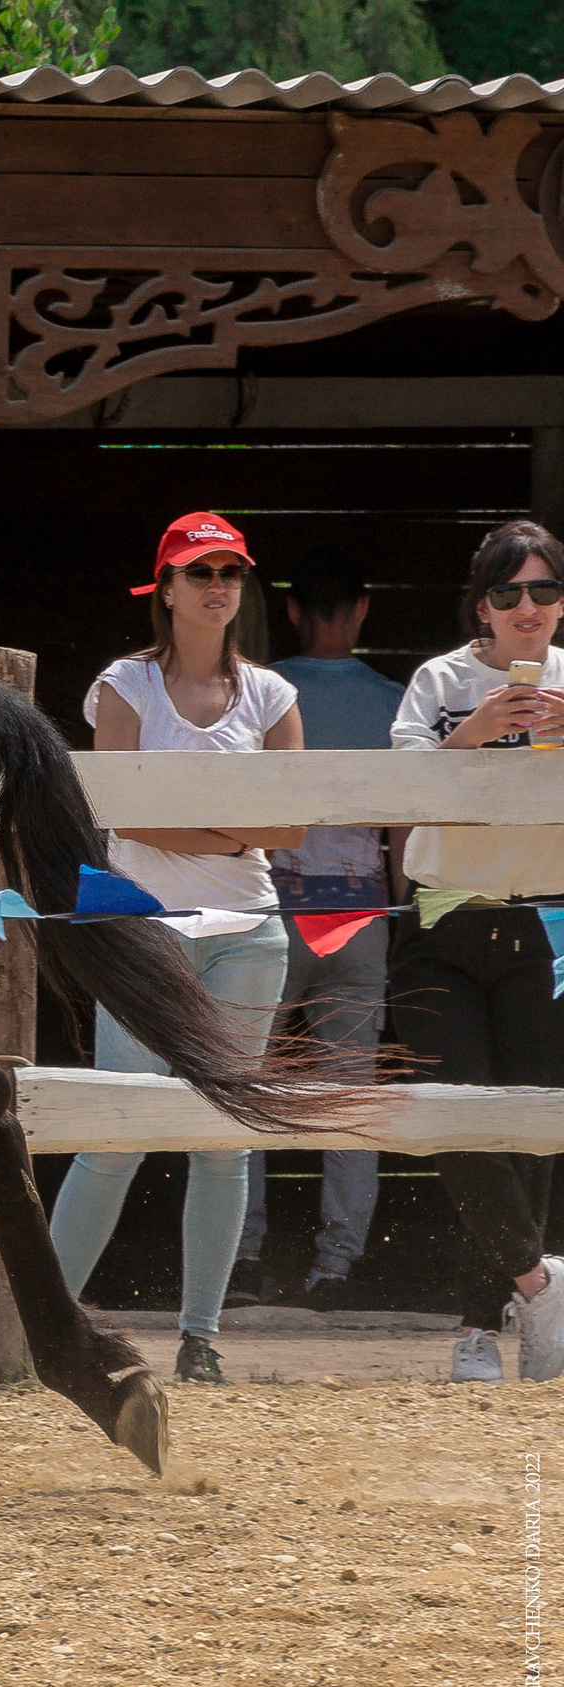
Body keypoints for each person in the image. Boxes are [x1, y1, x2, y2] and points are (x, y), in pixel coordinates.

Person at [49, 512, 306, 1386]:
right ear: (165, 589)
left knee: (222, 1138)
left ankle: (202, 1337)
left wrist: (199, 833)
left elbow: (293, 824)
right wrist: (235, 836)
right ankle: (41, 1321)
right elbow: (120, 812)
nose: (217, 587)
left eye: (230, 571)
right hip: (140, 930)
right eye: (199, 572)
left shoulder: (272, 694)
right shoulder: (124, 684)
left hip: (247, 932)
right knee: (114, 1134)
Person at [385, 519, 564, 1384]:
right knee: (455, 1117)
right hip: (443, 919)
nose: (526, 608)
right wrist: (479, 727)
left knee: (530, 1131)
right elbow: (400, 786)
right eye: (507, 592)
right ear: (481, 606)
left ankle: (481, 1324)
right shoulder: (440, 679)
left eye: (543, 590)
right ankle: (540, 1284)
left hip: (541, 924)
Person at [229, 551, 404, 1308]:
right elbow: (402, 825)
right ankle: (338, 1268)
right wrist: (400, 908)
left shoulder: (264, 694)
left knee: (243, 1083)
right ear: (363, 610)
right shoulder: (398, 701)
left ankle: (239, 1254)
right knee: (349, 1092)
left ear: (293, 612)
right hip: (363, 914)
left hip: (272, 908)